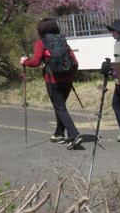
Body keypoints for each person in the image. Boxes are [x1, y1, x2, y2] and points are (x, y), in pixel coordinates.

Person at [21, 18, 83, 150]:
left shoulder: (41, 43)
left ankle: (74, 134)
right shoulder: (63, 41)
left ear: (41, 29)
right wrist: (71, 76)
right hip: (67, 79)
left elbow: (36, 62)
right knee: (60, 107)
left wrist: (24, 61)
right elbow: (75, 63)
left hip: (53, 80)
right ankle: (59, 134)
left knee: (60, 108)